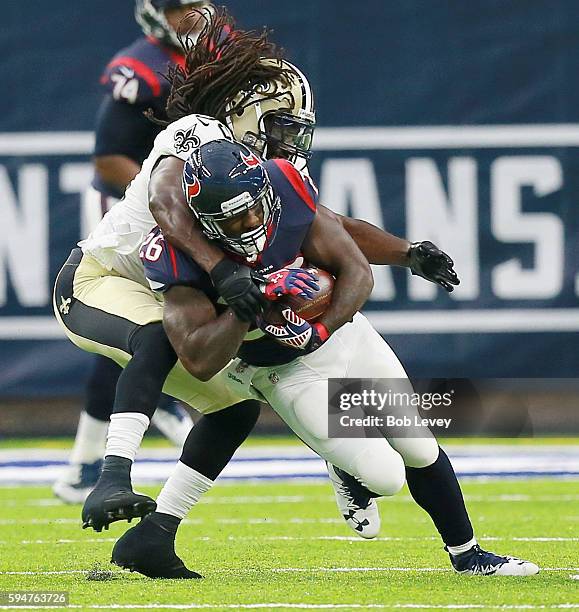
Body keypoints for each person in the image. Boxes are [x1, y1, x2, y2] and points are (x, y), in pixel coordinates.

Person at [108, 138, 539, 580]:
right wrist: (245, 309)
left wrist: (321, 328)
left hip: (343, 336)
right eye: (236, 218)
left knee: (418, 442)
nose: (253, 221)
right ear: (205, 221)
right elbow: (199, 360)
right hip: (280, 371)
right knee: (387, 475)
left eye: (256, 207)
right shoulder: (176, 256)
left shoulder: (286, 188)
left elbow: (356, 270)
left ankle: (468, 555)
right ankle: (347, 468)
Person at [53, 0, 217, 504]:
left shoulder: (218, 51)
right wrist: (168, 195)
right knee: (132, 312)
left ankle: (87, 460)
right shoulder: (141, 68)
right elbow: (108, 157)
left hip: (188, 201)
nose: (191, 15)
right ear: (154, 13)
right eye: (179, 7)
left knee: (156, 321)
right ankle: (150, 405)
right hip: (135, 202)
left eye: (196, 3)